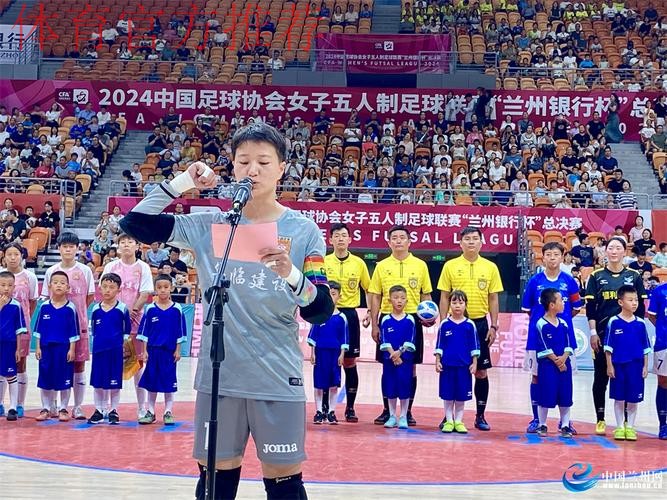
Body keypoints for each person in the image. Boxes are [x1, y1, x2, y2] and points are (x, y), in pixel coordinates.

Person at [120, 122, 333, 500]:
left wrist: (291, 274)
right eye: (244, 161)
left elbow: (320, 311)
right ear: (232, 167)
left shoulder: (303, 231)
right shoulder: (211, 225)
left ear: (282, 169)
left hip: (277, 379)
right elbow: (135, 223)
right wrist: (184, 181)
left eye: (264, 162)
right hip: (218, 380)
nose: (253, 170)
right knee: (215, 484)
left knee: (285, 485)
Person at [437, 227, 503, 431]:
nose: (471, 242)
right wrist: (443, 323)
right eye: (467, 239)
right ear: (460, 243)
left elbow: (493, 298)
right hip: (454, 325)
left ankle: (480, 415)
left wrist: (493, 325)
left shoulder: (490, 267)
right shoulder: (450, 266)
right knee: (451, 370)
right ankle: (449, 417)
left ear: (481, 242)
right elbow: (444, 296)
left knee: (481, 372)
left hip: (479, 324)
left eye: (475, 238)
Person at [369, 225, 433, 426]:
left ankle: (408, 411)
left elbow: (426, 294)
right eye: (394, 238)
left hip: (412, 319)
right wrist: (374, 324)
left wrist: (429, 316)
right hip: (387, 319)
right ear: (389, 242)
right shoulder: (381, 266)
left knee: (410, 367)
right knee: (387, 365)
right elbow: (375, 295)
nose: (398, 241)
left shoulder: (420, 265)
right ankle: (387, 411)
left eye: (402, 237)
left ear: (409, 241)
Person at [585, 237, 647, 435]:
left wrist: (636, 332)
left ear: (624, 252)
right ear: (605, 251)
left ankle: (627, 423)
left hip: (628, 339)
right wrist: (593, 333)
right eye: (610, 248)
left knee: (628, 379)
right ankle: (600, 419)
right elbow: (591, 308)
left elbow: (640, 309)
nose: (613, 251)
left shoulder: (634, 276)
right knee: (601, 378)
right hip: (604, 336)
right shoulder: (596, 276)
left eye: (618, 248)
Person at [521, 242, 582, 433]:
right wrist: (544, 325)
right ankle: (537, 420)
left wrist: (560, 324)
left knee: (565, 377)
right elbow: (528, 309)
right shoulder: (535, 281)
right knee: (536, 377)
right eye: (548, 254)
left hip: (564, 340)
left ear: (562, 257)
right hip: (537, 340)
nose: (552, 258)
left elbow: (576, 308)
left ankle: (565, 422)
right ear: (543, 257)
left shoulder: (569, 281)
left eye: (556, 254)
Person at [40, 232, 95, 420]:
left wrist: (76, 314)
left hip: (78, 327)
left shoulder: (85, 271)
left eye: (72, 246)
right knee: (53, 364)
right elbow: (46, 298)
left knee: (78, 366)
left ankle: (77, 407)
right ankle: (52, 405)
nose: (68, 249)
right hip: (55, 330)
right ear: (59, 248)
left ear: (77, 249)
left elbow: (89, 297)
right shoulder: (51, 271)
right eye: (65, 246)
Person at [101, 233, 154, 418]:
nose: (126, 245)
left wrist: (131, 312)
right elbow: (105, 291)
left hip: (135, 323)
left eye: (130, 242)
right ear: (118, 246)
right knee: (111, 364)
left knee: (138, 365)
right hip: (112, 323)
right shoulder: (111, 266)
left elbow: (145, 293)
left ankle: (142, 408)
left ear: (137, 246)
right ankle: (108, 407)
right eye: (122, 242)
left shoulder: (143, 267)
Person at [323, 223, 371, 422]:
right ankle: (325, 408)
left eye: (344, 235)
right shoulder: (323, 261)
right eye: (336, 235)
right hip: (327, 315)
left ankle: (350, 407)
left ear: (350, 239)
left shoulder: (359, 263)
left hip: (350, 315)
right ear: (330, 240)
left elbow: (368, 289)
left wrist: (370, 311)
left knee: (350, 362)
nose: (341, 239)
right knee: (327, 360)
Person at [136, 274, 187, 426]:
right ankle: (150, 412)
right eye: (159, 287)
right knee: (152, 382)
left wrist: (178, 350)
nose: (163, 290)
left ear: (171, 288)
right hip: (153, 352)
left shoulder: (177, 309)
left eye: (166, 287)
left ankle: (168, 412)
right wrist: (144, 351)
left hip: (169, 353)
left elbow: (181, 332)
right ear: (155, 290)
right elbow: (144, 332)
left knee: (168, 382)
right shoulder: (150, 309)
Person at [604, 285, 652, 441]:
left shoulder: (640, 323)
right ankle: (619, 427)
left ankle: (630, 427)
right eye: (630, 300)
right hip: (618, 365)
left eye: (636, 300)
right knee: (619, 397)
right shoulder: (613, 322)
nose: (634, 303)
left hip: (636, 366)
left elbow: (645, 347)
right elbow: (608, 347)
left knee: (633, 398)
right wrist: (609, 365)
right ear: (620, 302)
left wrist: (645, 366)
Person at [34, 271, 80, 422]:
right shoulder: (44, 307)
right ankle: (46, 408)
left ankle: (63, 409)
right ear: (49, 286)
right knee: (45, 378)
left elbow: (74, 331)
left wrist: (72, 349)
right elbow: (38, 329)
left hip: (64, 349)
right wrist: (38, 347)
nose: (58, 285)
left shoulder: (71, 308)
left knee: (65, 379)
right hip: (46, 348)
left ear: (68, 287)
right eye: (55, 282)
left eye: (62, 283)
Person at [87, 272, 132, 425]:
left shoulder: (122, 308)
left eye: (111, 287)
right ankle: (99, 410)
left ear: (118, 290)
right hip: (99, 350)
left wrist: (125, 347)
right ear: (100, 288)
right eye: (104, 286)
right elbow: (93, 330)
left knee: (114, 383)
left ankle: (113, 410)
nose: (107, 290)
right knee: (98, 382)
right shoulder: (95, 309)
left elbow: (127, 330)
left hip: (115, 351)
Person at [0, 243, 38, 418]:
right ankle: (1, 403)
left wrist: (24, 319)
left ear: (22, 256)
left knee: (20, 365)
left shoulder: (29, 277)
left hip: (18, 329)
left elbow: (32, 302)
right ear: (4, 256)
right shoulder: (1, 274)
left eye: (16, 254)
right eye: (9, 254)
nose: (13, 257)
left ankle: (19, 404)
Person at [435, 290, 479, 434]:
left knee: (461, 396)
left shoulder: (470, 325)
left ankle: (459, 421)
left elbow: (474, 346)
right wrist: (438, 361)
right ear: (449, 304)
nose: (457, 305)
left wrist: (474, 363)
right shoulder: (444, 324)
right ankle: (449, 421)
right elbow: (439, 344)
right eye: (454, 302)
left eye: (461, 302)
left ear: (465, 305)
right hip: (447, 366)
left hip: (464, 367)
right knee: (448, 395)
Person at [534, 288, 575, 438]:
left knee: (565, 395)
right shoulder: (541, 324)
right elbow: (544, 346)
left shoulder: (563, 323)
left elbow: (569, 344)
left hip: (564, 365)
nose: (564, 303)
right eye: (561, 300)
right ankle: (542, 424)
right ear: (552, 305)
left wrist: (564, 358)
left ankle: (565, 425)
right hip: (548, 366)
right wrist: (557, 361)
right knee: (546, 394)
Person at [307, 281, 348, 424]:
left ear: (339, 296)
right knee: (319, 383)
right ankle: (319, 411)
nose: (331, 297)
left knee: (333, 384)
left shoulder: (342, 318)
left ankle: (331, 412)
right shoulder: (319, 316)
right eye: (329, 294)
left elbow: (344, 338)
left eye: (334, 294)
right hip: (321, 353)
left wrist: (342, 354)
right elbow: (313, 336)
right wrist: (313, 353)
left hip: (334, 354)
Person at [379, 285, 416, 429]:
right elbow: (384, 340)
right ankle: (392, 416)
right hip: (389, 360)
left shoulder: (410, 320)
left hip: (405, 360)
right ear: (390, 300)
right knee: (390, 387)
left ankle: (403, 416)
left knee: (404, 386)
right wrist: (393, 354)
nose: (399, 301)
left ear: (406, 300)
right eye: (395, 298)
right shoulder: (385, 320)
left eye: (402, 298)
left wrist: (400, 352)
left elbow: (410, 339)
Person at [0, 271, 27, 421]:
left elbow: (19, 330)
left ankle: (13, 407)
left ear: (14, 287)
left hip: (9, 345)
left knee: (11, 375)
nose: (6, 288)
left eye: (9, 285)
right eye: (3, 285)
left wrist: (18, 349)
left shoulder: (16, 306)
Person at [647, 279, 667, 439]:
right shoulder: (659, 291)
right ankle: (663, 425)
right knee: (663, 382)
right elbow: (652, 316)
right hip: (664, 343)